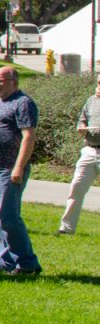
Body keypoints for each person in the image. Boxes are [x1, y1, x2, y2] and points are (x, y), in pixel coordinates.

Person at [0, 66, 41, 274]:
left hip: (8, 169)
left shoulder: (23, 103)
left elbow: (28, 137)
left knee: (8, 218)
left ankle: (27, 263)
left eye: (1, 80)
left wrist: (18, 167)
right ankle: (6, 261)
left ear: (14, 81)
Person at [58, 74, 100, 235]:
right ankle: (66, 229)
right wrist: (81, 127)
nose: (98, 86)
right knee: (76, 188)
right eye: (98, 83)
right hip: (89, 151)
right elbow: (82, 120)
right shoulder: (91, 101)